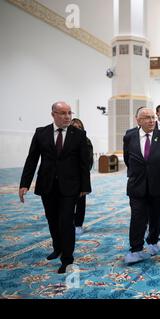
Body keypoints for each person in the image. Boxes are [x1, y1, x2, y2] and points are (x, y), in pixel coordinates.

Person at [19, 102, 91, 274]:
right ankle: (57, 247)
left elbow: (84, 163)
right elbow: (32, 159)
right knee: (52, 219)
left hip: (70, 186)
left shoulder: (79, 135)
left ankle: (67, 259)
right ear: (53, 114)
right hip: (47, 184)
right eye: (63, 113)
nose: (67, 116)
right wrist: (24, 184)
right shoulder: (41, 133)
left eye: (69, 113)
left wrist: (85, 186)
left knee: (66, 221)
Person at [123, 108, 160, 264]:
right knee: (137, 217)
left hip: (158, 184)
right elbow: (127, 158)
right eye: (147, 118)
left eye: (153, 117)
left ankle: (153, 240)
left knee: (155, 216)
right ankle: (135, 249)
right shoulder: (129, 136)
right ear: (138, 120)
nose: (151, 120)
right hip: (137, 184)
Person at [70, 118, 94, 236]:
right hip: (67, 178)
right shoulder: (66, 140)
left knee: (80, 202)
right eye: (73, 127)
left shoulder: (86, 140)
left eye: (78, 127)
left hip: (80, 177)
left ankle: (78, 225)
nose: (76, 129)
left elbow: (88, 161)